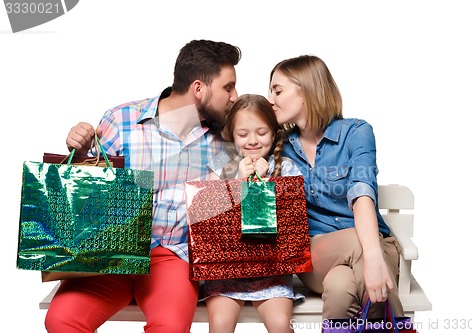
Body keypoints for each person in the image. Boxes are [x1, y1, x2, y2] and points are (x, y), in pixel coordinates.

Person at [44, 39, 241, 333]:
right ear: (199, 89)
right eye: (228, 87)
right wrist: (81, 153)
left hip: (172, 256)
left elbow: (221, 210)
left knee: (171, 327)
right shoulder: (122, 120)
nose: (235, 96)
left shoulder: (225, 140)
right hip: (112, 254)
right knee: (61, 320)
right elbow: (86, 192)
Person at [268, 55, 404, 319]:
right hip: (316, 253)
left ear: (306, 91)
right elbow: (232, 144)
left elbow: (363, 193)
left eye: (278, 91)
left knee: (341, 288)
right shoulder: (278, 146)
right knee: (358, 243)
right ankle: (398, 325)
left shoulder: (355, 132)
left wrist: (374, 257)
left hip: (373, 249)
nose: (270, 100)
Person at [202, 94, 303, 333]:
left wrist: (265, 185)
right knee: (220, 324)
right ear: (231, 135)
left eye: (261, 132)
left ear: (274, 132)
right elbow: (208, 216)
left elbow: (293, 220)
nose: (253, 141)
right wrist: (238, 182)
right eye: (243, 134)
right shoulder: (222, 165)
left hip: (272, 271)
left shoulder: (285, 167)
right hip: (226, 272)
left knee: (280, 324)